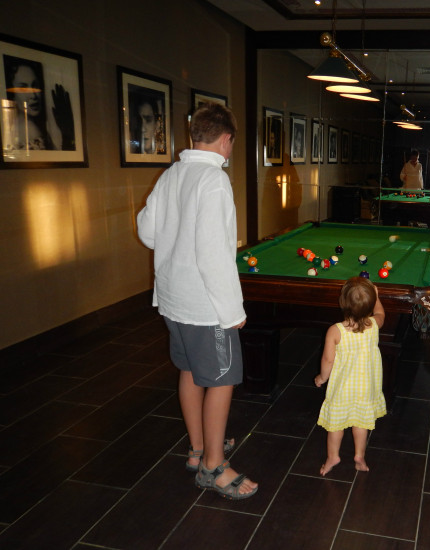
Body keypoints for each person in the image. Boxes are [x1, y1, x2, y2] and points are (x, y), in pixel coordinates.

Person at [137, 102, 258, 500]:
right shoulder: (214, 180)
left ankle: (198, 448)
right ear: (226, 140)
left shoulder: (172, 173)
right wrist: (232, 311)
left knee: (189, 370)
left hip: (172, 298)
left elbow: (147, 232)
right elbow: (214, 256)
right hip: (205, 305)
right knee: (223, 380)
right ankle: (214, 467)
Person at [314, 277, 387, 476]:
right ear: (370, 305)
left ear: (342, 302)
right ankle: (359, 456)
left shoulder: (335, 331)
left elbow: (328, 360)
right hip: (366, 388)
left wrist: (322, 378)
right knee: (361, 423)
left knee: (335, 425)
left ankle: (333, 457)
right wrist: (377, 297)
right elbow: (381, 313)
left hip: (342, 389)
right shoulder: (374, 324)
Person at [3, 55, 75, 151]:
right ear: (12, 94)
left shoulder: (19, 128)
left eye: (35, 86)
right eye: (23, 88)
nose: (33, 95)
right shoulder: (30, 129)